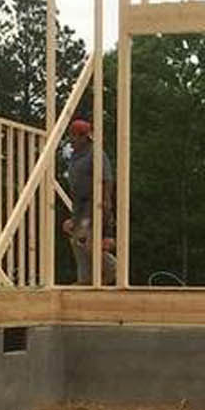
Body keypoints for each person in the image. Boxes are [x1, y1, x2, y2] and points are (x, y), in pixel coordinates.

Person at [62, 118, 116, 285]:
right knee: (77, 240)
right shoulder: (75, 157)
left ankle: (111, 269)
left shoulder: (96, 154)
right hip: (79, 205)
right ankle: (88, 278)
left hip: (93, 203)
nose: (72, 140)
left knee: (82, 239)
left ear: (84, 137)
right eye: (72, 136)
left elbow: (107, 182)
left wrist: (108, 230)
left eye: (75, 137)